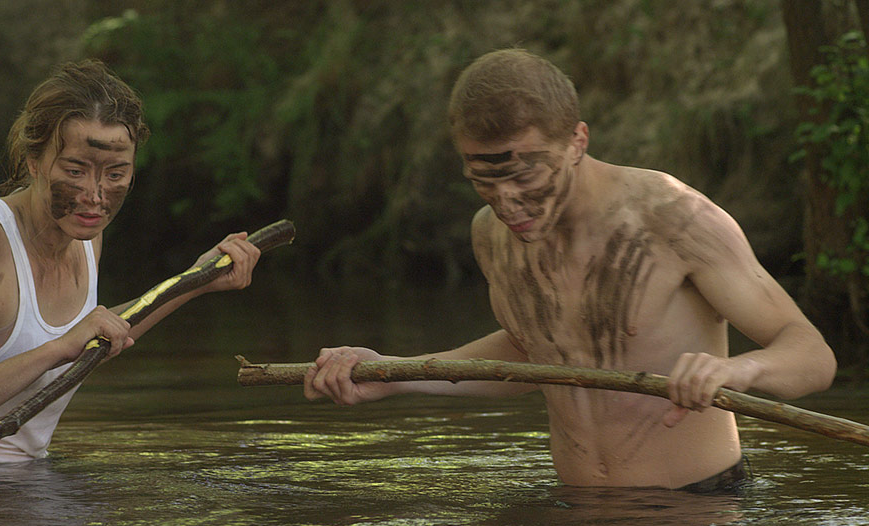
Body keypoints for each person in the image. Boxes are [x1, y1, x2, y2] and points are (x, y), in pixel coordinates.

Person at [303, 48, 836, 492]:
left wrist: (736, 372)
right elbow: (532, 351)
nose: (508, 203)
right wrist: (395, 373)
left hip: (693, 509)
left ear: (577, 141)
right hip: (575, 509)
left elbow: (812, 356)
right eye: (484, 181)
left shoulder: (672, 218)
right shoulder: (492, 234)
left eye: (525, 177)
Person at [0, 60, 262, 467]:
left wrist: (195, 280)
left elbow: (95, 333)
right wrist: (59, 349)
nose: (95, 196)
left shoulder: (87, 233)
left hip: (20, 486)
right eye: (75, 170)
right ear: (34, 161)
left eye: (116, 174)